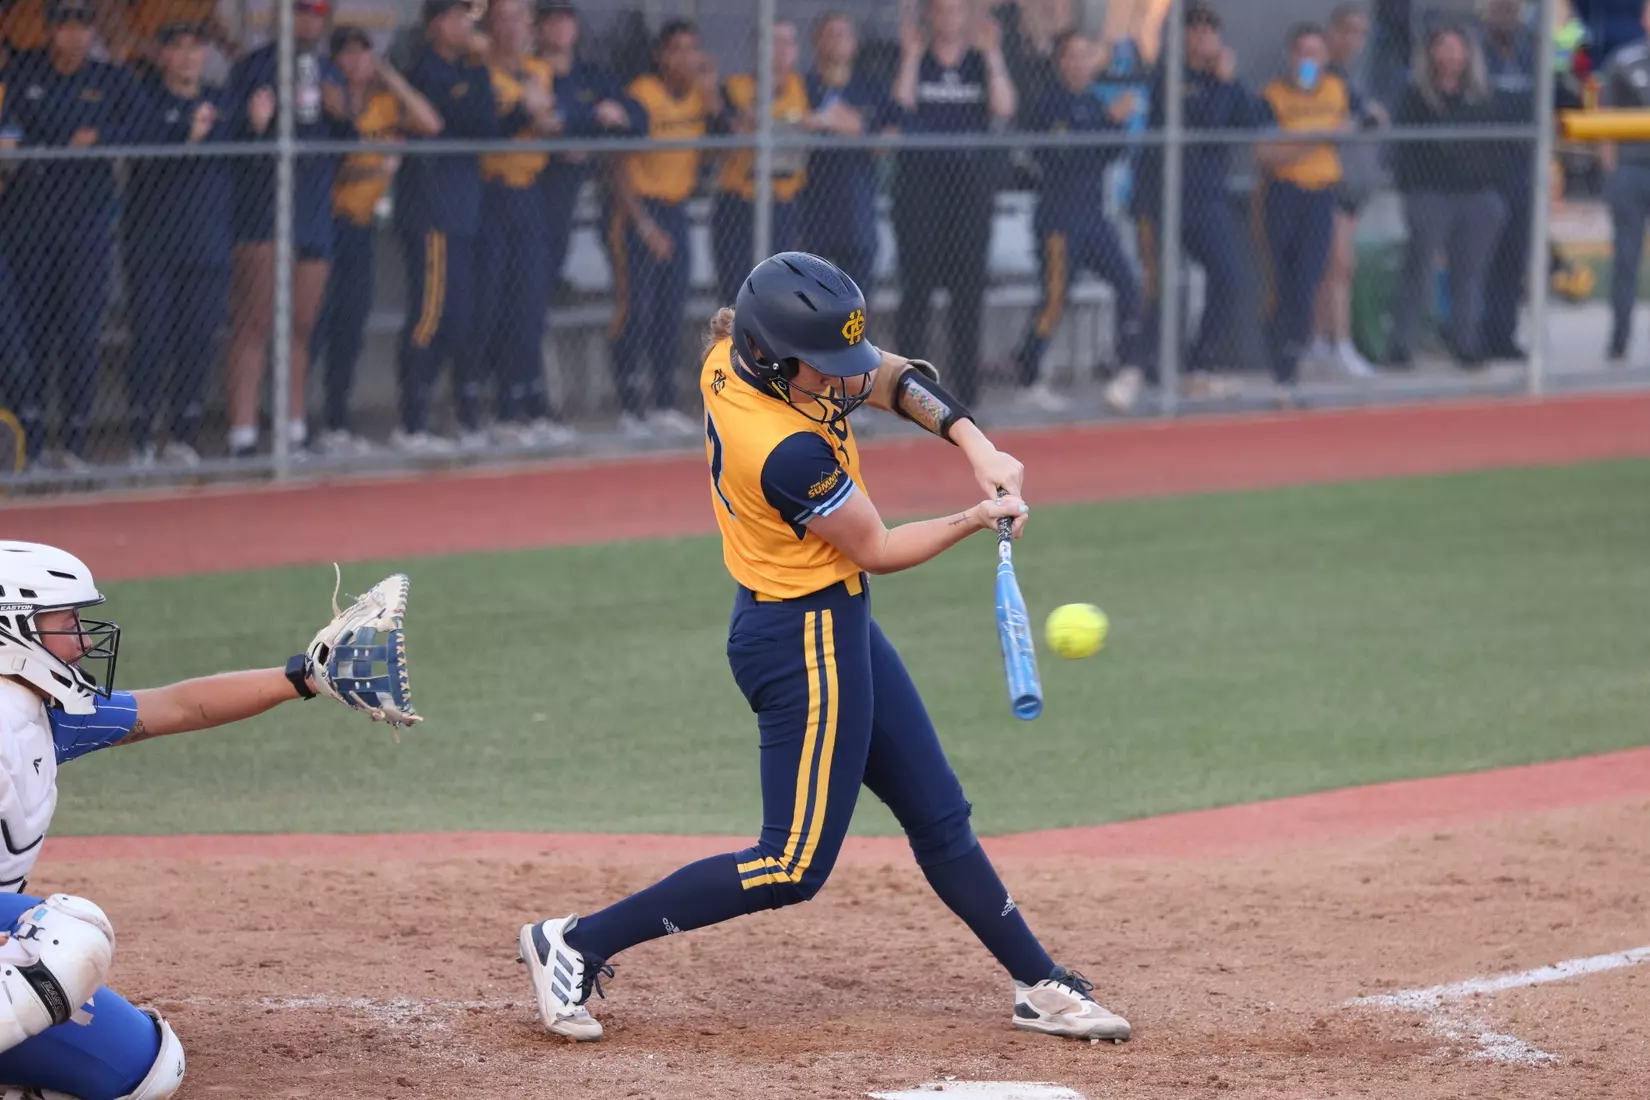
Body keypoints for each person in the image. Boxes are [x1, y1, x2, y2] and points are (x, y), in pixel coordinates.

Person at [520, 250, 1133, 1043]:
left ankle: (1040, 984)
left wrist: (977, 447)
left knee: (939, 815)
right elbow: (876, 547)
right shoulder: (782, 450)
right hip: (798, 636)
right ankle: (573, 941)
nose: (847, 380)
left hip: (834, 624)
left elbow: (888, 376)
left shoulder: (737, 348)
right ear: (775, 363)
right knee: (792, 865)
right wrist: (974, 518)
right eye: (825, 368)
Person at [0, 540, 382, 1098]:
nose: (83, 641)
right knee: (65, 936)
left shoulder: (33, 714)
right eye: (63, 622)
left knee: (147, 1070)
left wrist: (305, 677)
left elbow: (174, 706)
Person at [1, 0, 141, 471]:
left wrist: (98, 137)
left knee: (81, 332)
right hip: (29, 223)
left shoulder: (110, 79)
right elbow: (11, 136)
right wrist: (45, 147)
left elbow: (140, 126)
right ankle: (33, 443)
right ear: (50, 29)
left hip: (86, 227)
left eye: (84, 24)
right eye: (65, 24)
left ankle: (74, 443)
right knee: (33, 335)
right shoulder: (25, 72)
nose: (75, 34)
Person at [225, 0, 354, 459]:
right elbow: (231, 135)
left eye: (317, 13)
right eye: (301, 11)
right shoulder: (253, 67)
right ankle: (242, 433)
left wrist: (342, 114)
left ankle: (292, 426)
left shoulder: (327, 70)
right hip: (263, 209)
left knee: (302, 325)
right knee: (255, 321)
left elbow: (346, 140)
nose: (309, 22)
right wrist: (254, 124)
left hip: (314, 207)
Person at [393, 0, 522, 454]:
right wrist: (480, 68)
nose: (465, 26)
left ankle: (446, 414)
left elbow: (486, 127)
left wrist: (487, 73)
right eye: (454, 18)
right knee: (430, 315)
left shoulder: (470, 70)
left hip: (463, 209)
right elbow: (454, 119)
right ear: (435, 26)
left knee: (461, 316)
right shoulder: (426, 70)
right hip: (431, 210)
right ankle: (411, 422)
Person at [310, 25, 441, 458]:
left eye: (364, 53)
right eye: (346, 53)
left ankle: (336, 420)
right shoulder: (327, 105)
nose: (356, 62)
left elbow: (429, 122)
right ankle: (299, 426)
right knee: (315, 327)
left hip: (362, 226)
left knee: (350, 326)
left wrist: (394, 81)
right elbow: (332, 169)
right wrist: (377, 171)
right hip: (324, 224)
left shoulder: (385, 102)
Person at [1130, 2, 1267, 403]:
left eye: (1212, 32)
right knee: (1163, 284)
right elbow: (1198, 122)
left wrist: (1230, 81)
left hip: (1207, 199)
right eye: (1199, 31)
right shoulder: (1168, 77)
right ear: (1185, 36)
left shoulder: (1221, 79)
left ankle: (1199, 364)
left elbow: (1252, 121)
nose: (1207, 39)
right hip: (1164, 199)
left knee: (1228, 278)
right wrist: (1220, 88)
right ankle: (1146, 366)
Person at [891, 0, 1017, 406]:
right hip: (921, 185)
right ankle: (912, 391)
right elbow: (901, 105)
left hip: (968, 186)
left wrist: (994, 53)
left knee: (968, 288)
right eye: (940, 11)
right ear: (930, 17)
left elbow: (1004, 107)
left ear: (966, 17)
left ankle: (966, 392)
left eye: (955, 10)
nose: (948, 18)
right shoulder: (918, 58)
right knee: (918, 287)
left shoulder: (980, 62)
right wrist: (910, 56)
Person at [1012, 30, 1144, 414]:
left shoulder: (1093, 102)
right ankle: (1028, 376)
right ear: (1060, 62)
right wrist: (1109, 121)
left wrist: (1112, 123)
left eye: (1087, 55)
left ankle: (1127, 368)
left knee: (1128, 284)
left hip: (1094, 218)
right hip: (1059, 220)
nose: (1080, 63)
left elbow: (1107, 152)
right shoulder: (1049, 103)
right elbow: (1066, 154)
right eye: (1072, 56)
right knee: (1055, 298)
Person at [122, 20, 233, 469]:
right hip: (153, 246)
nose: (188, 57)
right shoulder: (144, 98)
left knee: (196, 340)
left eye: (196, 48)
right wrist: (186, 136)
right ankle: (142, 438)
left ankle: (182, 435)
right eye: (179, 48)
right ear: (162, 55)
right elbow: (142, 153)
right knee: (150, 338)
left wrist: (260, 124)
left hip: (207, 244)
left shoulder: (221, 101)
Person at [606, 19, 721, 440]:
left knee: (670, 310)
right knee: (636, 308)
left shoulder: (697, 96)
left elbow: (725, 133)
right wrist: (643, 224)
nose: (685, 59)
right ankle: (631, 406)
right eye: (676, 50)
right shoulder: (642, 95)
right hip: (638, 209)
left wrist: (710, 92)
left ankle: (665, 403)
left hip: (677, 207)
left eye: (692, 50)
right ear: (660, 55)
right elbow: (615, 166)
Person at [472, 0, 575, 449]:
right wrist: (527, 114)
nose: (513, 27)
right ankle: (482, 409)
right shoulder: (481, 69)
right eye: (504, 18)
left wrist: (542, 117)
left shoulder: (537, 70)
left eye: (520, 18)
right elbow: (491, 125)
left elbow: (552, 123)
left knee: (529, 304)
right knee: (488, 302)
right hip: (491, 192)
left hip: (531, 191)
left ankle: (522, 405)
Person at [1385, 23, 1506, 368]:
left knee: (1469, 274)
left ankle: (1465, 343)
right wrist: (1410, 188)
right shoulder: (1415, 95)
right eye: (1443, 47)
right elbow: (1405, 150)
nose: (1451, 55)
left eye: (1457, 48)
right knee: (1418, 268)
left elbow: (1496, 146)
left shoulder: (1482, 95)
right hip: (1430, 193)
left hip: (1476, 194)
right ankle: (1401, 345)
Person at [534, 2, 632, 370]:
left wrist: (585, 131)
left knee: (546, 283)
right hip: (531, 188)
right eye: (552, 20)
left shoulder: (589, 73)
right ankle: (517, 398)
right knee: (524, 293)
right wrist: (590, 119)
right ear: (538, 28)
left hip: (567, 195)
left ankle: (531, 398)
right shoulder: (533, 70)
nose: (560, 28)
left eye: (566, 19)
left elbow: (631, 116)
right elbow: (549, 118)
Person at [1256, 24, 1350, 394]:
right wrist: (1315, 138)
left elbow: (1363, 120)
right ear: (1292, 56)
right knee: (1281, 277)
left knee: (1309, 277)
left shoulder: (1337, 90)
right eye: (1302, 52)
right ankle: (1278, 354)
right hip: (1284, 191)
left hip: (1321, 193)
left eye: (1316, 52)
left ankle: (1295, 355)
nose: (1308, 60)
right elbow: (1266, 153)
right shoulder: (1272, 95)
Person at [1308, 3, 1384, 380]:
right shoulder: (1315, 65)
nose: (1353, 40)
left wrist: (1369, 114)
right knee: (1337, 264)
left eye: (1360, 33)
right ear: (1333, 30)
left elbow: (1358, 111)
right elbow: (1302, 106)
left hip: (1350, 181)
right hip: (1318, 179)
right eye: (1348, 31)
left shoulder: (1352, 75)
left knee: (1337, 265)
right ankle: (1338, 344)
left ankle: (1324, 341)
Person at [711, 19, 810, 306]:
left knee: (781, 298)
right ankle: (735, 352)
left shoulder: (803, 87)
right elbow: (727, 134)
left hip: (783, 205)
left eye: (788, 42)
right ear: (757, 49)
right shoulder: (733, 88)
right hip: (739, 204)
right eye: (773, 41)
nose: (780, 50)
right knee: (736, 298)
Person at [799, 12, 891, 294]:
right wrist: (851, 126)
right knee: (811, 309)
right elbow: (795, 129)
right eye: (831, 34)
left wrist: (833, 122)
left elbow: (885, 140)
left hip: (858, 218)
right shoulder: (801, 87)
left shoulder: (871, 87)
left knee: (855, 309)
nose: (838, 41)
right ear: (816, 43)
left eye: (845, 34)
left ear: (854, 45)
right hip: (811, 217)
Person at [1477, 0, 1538, 362]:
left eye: (1513, 11)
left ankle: (1505, 335)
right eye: (1501, 11)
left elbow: (1536, 105)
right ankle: (1476, 335)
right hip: (1486, 171)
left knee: (1514, 256)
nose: (1508, 19)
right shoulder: (1479, 55)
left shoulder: (1528, 55)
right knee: (1485, 255)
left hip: (1522, 170)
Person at [1598, 0, 1650, 362]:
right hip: (1632, 169)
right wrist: (1610, 170)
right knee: (1625, 259)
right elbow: (1604, 117)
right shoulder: (1624, 61)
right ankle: (1619, 339)